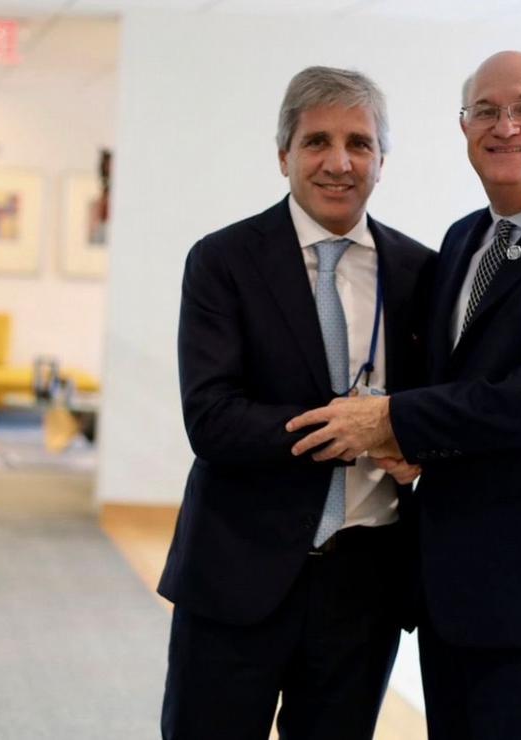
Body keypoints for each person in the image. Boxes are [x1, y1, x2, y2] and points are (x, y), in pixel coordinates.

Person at [286, 51, 521, 739]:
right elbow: (452, 380)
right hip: (452, 579)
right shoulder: (464, 239)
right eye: (485, 111)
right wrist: (412, 444)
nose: (504, 125)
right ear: (464, 128)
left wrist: (394, 420)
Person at [158, 66, 435, 740]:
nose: (339, 163)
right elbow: (212, 419)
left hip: (365, 587)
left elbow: (432, 410)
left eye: (360, 143)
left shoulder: (422, 273)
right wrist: (354, 429)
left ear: (382, 160)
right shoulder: (222, 261)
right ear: (283, 154)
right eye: (317, 142)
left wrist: (413, 443)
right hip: (238, 572)